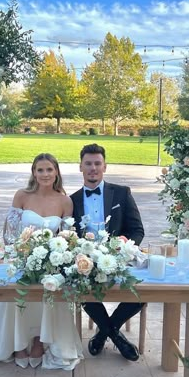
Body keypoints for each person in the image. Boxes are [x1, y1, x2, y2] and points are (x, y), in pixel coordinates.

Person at [0, 153, 83, 370]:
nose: (45, 174)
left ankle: (41, 342)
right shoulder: (22, 196)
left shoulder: (65, 201)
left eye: (49, 169)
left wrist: (53, 256)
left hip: (50, 260)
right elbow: (10, 233)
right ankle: (18, 344)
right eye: (40, 170)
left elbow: (68, 236)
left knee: (50, 287)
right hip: (21, 257)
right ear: (33, 172)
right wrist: (19, 252)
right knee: (13, 288)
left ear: (56, 172)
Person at [71, 143, 144, 361]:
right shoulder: (72, 200)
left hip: (119, 258)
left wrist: (125, 243)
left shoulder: (121, 193)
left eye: (97, 163)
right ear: (80, 167)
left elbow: (137, 230)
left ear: (105, 166)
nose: (93, 168)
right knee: (80, 288)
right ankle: (116, 336)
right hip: (86, 262)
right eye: (88, 164)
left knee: (142, 291)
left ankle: (104, 332)